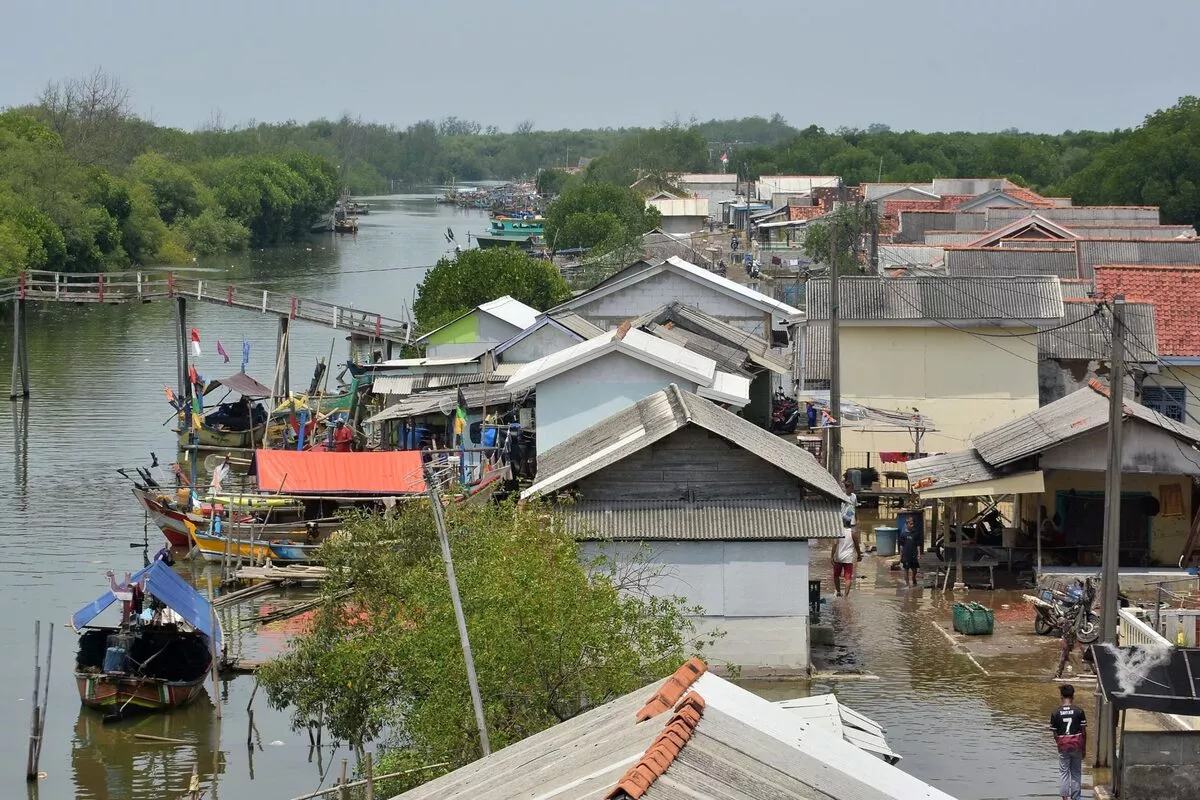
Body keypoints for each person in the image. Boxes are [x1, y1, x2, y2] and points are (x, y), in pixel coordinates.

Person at [1049, 684, 1086, 800]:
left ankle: (1065, 798)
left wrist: (1059, 744)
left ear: (1061, 696)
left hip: (1063, 745)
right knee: (1076, 773)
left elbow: (1055, 733)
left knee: (1064, 773)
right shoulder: (1079, 711)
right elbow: (1083, 732)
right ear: (1073, 696)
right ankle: (1076, 798)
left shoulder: (1055, 713)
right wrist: (1084, 748)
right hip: (1077, 744)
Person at [833, 480, 861, 596]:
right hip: (843, 520)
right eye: (848, 488)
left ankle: (843, 595)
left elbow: (855, 508)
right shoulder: (842, 496)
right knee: (843, 539)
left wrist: (857, 519)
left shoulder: (853, 497)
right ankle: (842, 594)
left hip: (851, 520)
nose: (849, 490)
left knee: (850, 538)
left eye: (851, 488)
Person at [899, 519, 921, 587]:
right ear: (907, 524)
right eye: (911, 524)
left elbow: (918, 545)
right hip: (906, 555)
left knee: (914, 570)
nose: (912, 525)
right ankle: (907, 584)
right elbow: (901, 546)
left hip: (913, 554)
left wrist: (919, 554)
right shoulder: (903, 534)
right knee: (906, 569)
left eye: (913, 524)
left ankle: (913, 578)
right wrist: (901, 555)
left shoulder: (916, 534)